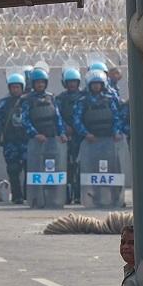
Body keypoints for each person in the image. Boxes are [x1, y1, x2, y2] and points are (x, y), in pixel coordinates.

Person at [72, 70, 127, 203]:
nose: (96, 86)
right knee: (94, 170)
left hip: (109, 141)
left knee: (113, 169)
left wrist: (116, 131)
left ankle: (116, 198)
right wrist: (86, 134)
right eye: (93, 84)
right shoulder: (83, 101)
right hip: (92, 142)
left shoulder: (110, 99)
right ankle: (95, 198)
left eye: (99, 83)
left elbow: (117, 117)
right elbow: (77, 120)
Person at [0, 73, 29, 204]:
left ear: (22, 87)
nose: (15, 90)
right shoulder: (4, 103)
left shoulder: (28, 101)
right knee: (13, 169)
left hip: (26, 140)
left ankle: (29, 195)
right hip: (10, 141)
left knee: (29, 168)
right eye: (13, 87)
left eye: (18, 87)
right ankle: (17, 196)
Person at [55, 68, 84, 202]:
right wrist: (64, 128)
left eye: (74, 81)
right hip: (65, 137)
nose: (72, 84)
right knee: (66, 166)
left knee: (80, 166)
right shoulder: (60, 98)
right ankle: (66, 195)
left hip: (81, 137)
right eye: (69, 82)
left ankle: (79, 195)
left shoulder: (84, 97)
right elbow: (57, 116)